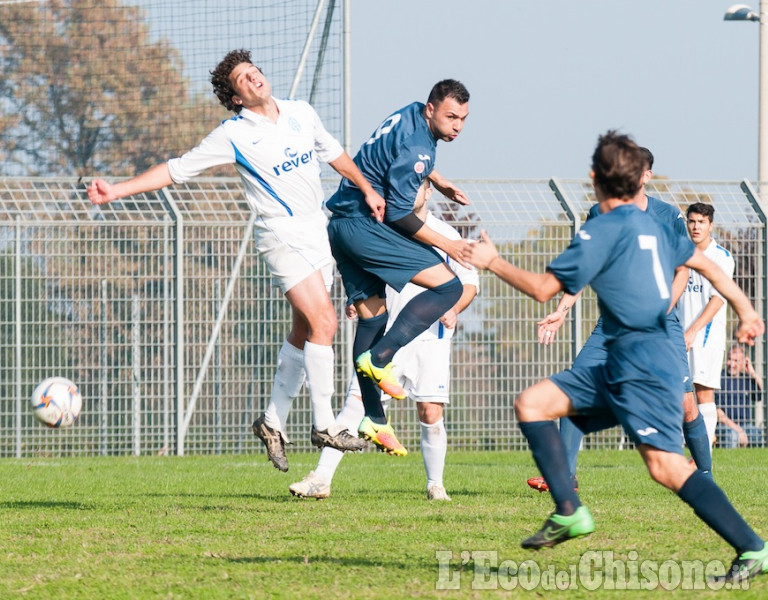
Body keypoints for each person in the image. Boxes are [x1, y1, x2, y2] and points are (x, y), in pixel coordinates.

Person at [466, 131, 767, 583]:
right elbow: (707, 265)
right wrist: (746, 309)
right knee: (534, 403)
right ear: (637, 179)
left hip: (642, 366)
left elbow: (543, 288)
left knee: (665, 466)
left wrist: (491, 260)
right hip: (625, 359)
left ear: (594, 178)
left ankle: (752, 547)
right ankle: (569, 509)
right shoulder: (654, 223)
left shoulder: (601, 227)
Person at [87, 49, 386, 472]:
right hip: (280, 235)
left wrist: (366, 189)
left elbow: (334, 154)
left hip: (315, 231)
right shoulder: (233, 134)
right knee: (326, 324)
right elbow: (176, 170)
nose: (253, 79)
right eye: (242, 80)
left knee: (304, 331)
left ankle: (271, 421)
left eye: (253, 71)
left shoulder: (301, 112)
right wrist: (116, 190)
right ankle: (324, 425)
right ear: (237, 99)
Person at [529, 146, 714, 491]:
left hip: (661, 325)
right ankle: (564, 477)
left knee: (685, 402)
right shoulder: (600, 213)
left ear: (647, 175)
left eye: (639, 170)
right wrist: (560, 311)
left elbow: (682, 272)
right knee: (575, 387)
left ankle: (705, 477)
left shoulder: (667, 214)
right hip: (612, 325)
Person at [289, 181, 479, 500]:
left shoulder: (446, 234)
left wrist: (455, 308)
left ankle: (436, 485)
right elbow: (367, 274)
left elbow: (469, 281)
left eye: (415, 187)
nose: (408, 193)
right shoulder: (382, 226)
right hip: (386, 337)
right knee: (356, 404)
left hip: (429, 340)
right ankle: (320, 479)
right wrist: (358, 299)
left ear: (429, 193)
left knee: (430, 413)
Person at [325, 79, 472, 455]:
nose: (457, 125)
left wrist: (436, 180)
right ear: (430, 109)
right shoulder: (421, 148)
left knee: (373, 318)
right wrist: (449, 244)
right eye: (451, 116)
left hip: (340, 225)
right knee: (449, 287)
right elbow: (397, 213)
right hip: (365, 225)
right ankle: (380, 358)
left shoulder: (409, 113)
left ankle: (373, 417)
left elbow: (396, 158)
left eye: (463, 119)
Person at [677, 203, 735, 452]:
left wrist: (693, 331)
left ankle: (704, 455)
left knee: (703, 392)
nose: (696, 226)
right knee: (679, 394)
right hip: (678, 335)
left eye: (701, 222)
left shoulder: (721, 257)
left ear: (711, 225)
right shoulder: (680, 253)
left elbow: (718, 299)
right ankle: (688, 446)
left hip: (705, 336)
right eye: (692, 221)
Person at [715, 345, 765, 448]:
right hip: (725, 426)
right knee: (732, 435)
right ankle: (728, 463)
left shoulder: (746, 379)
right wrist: (739, 430)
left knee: (757, 433)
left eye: (736, 360)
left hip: (745, 426)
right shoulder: (720, 378)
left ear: (743, 362)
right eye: (729, 359)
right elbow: (718, 412)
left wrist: (752, 372)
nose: (732, 364)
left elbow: (762, 392)